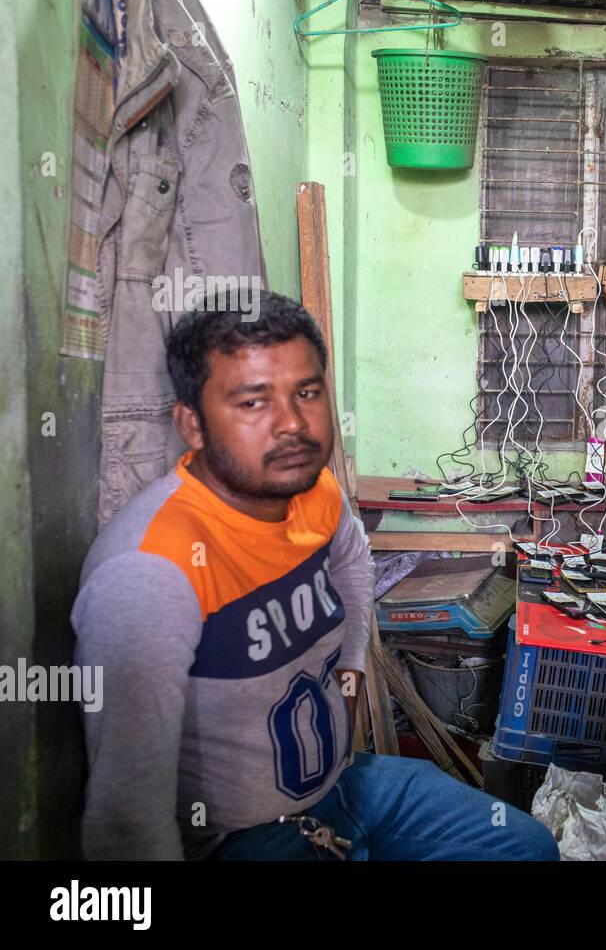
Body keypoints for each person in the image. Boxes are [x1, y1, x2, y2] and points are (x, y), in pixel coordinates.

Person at [72, 289, 557, 861]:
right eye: (253, 403)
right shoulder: (151, 572)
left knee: (524, 846)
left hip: (342, 788)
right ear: (193, 425)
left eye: (306, 392)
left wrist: (350, 676)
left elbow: (353, 561)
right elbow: (127, 825)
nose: (292, 425)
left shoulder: (309, 490)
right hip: (245, 837)